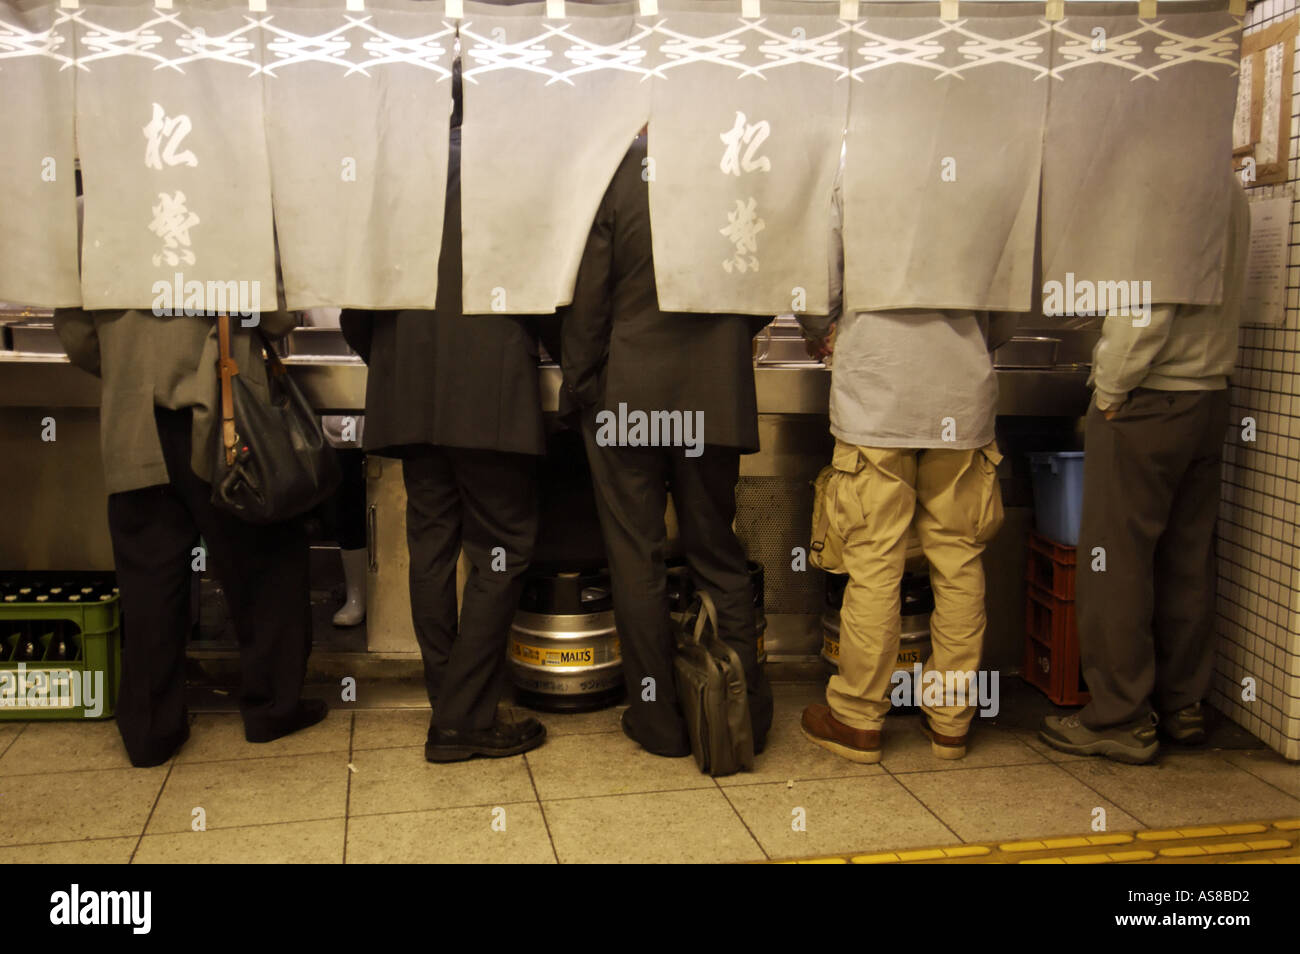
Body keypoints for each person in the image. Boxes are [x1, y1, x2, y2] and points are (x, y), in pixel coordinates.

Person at [339, 61, 548, 763]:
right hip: (488, 391)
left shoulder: (392, 177)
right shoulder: (515, 172)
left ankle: (452, 707)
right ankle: (464, 719)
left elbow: (354, 305)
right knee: (504, 547)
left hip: (409, 389)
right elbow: (545, 287)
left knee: (431, 547)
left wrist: (396, 362)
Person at [560, 133, 774, 758]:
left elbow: (591, 298)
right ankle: (741, 718)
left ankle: (657, 721)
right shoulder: (741, 166)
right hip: (713, 396)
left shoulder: (621, 169)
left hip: (628, 399)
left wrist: (583, 385)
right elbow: (764, 290)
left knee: (637, 558)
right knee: (717, 553)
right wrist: (722, 348)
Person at [797, 165, 1014, 763]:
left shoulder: (853, 172)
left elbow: (817, 286)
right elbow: (1011, 299)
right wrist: (962, 344)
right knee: (959, 561)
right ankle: (950, 720)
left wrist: (825, 332)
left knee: (873, 564)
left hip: (877, 396)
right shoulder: (989, 174)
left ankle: (858, 720)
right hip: (960, 402)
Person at [54, 292, 326, 767]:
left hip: (133, 423)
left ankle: (151, 732)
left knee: (149, 582)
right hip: (221, 427)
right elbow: (279, 317)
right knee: (264, 567)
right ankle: (271, 709)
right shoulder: (228, 220)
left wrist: (127, 364)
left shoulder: (103, 228)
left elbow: (77, 336)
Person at [1040, 179, 1250, 764]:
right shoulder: (1225, 184)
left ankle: (1120, 716)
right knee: (1187, 556)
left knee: (1115, 560)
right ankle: (1183, 704)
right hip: (1208, 396)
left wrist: (1109, 388)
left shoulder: (1165, 182)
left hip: (1149, 398)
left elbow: (1146, 309)